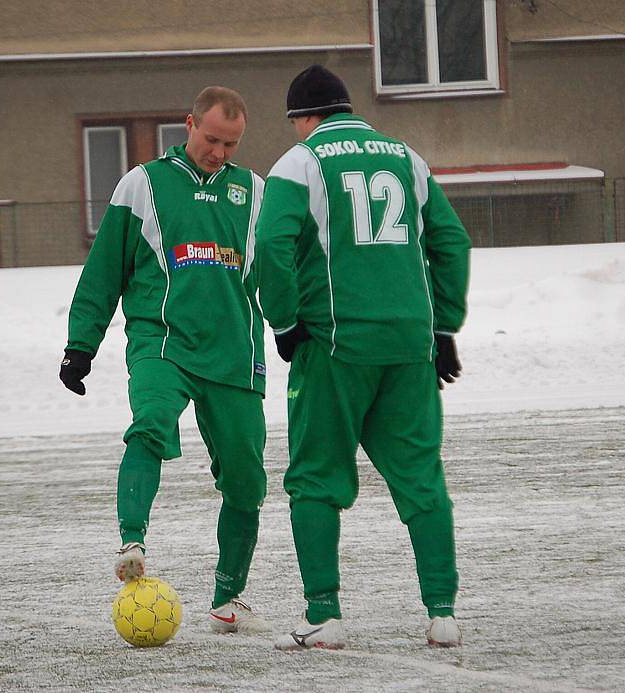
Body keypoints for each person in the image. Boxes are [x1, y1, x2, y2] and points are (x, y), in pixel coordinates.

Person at [255, 65, 471, 650]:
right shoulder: (408, 157)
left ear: (303, 117)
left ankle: (325, 614)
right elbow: (451, 241)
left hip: (335, 344)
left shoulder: (299, 162)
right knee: (422, 478)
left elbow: (271, 246)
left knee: (316, 478)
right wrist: (443, 324)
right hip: (409, 345)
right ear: (348, 108)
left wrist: (284, 321)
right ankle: (442, 613)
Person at [59, 86, 270, 634]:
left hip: (234, 352)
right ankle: (132, 540)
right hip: (163, 343)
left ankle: (229, 597)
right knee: (149, 425)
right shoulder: (142, 184)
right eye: (211, 139)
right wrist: (81, 344)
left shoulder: (255, 192)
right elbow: (104, 271)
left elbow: (282, 275)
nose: (220, 152)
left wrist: (302, 329)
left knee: (247, 479)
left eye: (231, 143)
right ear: (189, 125)